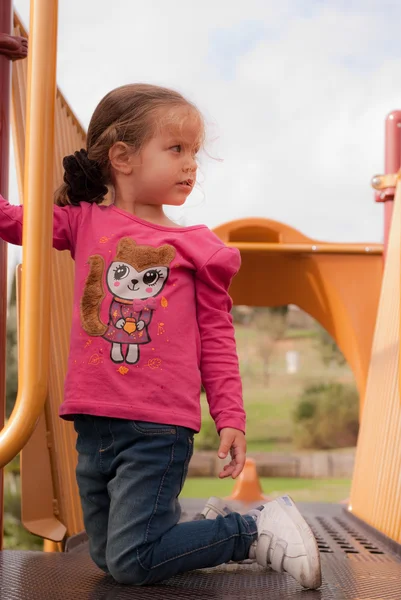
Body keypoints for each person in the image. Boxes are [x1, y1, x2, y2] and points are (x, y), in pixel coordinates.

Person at [0, 83, 321, 589]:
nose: (192, 164)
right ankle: (205, 534)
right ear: (122, 157)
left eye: (195, 152)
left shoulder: (195, 248)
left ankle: (253, 530)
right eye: (177, 149)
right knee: (109, 558)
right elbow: (13, 220)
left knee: (133, 560)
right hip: (93, 423)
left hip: (156, 427)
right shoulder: (84, 223)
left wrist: (230, 416)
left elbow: (216, 337)